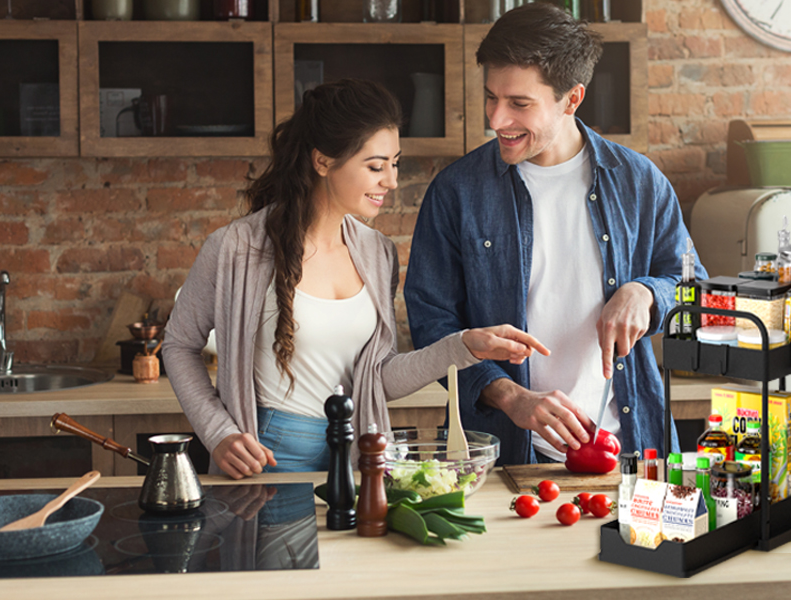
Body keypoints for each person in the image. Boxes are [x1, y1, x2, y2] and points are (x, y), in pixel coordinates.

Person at [164, 79, 548, 479]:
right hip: (269, 457)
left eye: (394, 164)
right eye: (375, 166)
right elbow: (179, 345)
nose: (392, 181)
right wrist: (218, 432)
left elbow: (377, 378)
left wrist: (464, 346)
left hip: (357, 457)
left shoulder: (377, 253)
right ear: (323, 162)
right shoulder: (235, 248)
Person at [403, 4, 707, 466]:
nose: (496, 119)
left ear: (572, 99)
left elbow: (695, 290)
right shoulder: (457, 192)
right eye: (491, 97)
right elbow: (432, 324)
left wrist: (645, 293)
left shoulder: (639, 182)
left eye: (520, 104)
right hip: (504, 457)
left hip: (630, 451)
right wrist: (509, 395)